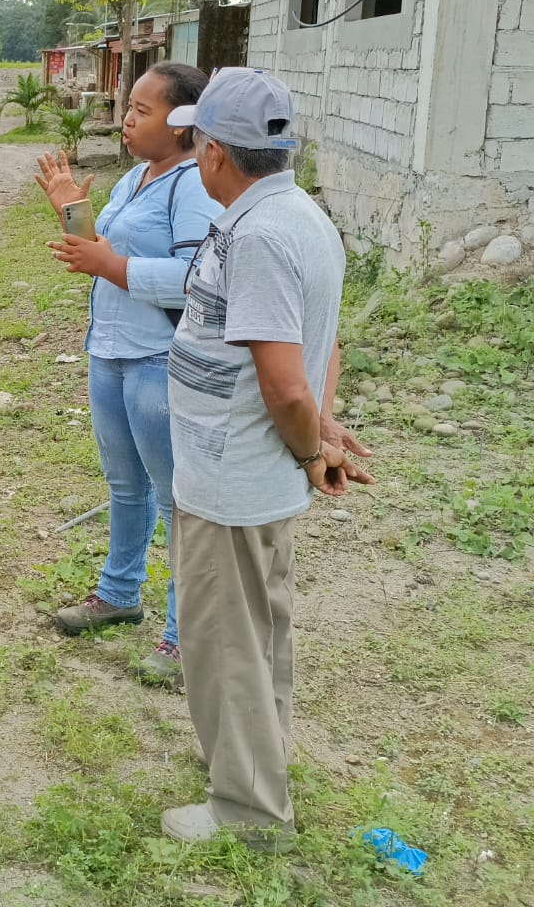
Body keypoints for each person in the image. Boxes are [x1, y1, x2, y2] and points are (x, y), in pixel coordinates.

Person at [155, 68, 372, 851]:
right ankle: (255, 765)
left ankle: (248, 811)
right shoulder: (298, 216)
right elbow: (323, 346)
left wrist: (312, 447)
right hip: (245, 471)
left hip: (233, 479)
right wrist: (322, 430)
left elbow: (283, 381)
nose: (192, 154)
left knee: (226, 643)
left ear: (214, 152)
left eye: (194, 142)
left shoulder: (260, 236)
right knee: (256, 635)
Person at [36, 62, 220, 689]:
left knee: (175, 500)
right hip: (110, 350)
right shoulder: (135, 178)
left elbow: (196, 279)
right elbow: (97, 251)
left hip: (158, 357)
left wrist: (109, 265)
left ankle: (185, 633)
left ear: (182, 123)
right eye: (129, 107)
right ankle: (119, 593)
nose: (126, 119)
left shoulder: (192, 186)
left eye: (142, 110)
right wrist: (70, 209)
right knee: (124, 485)